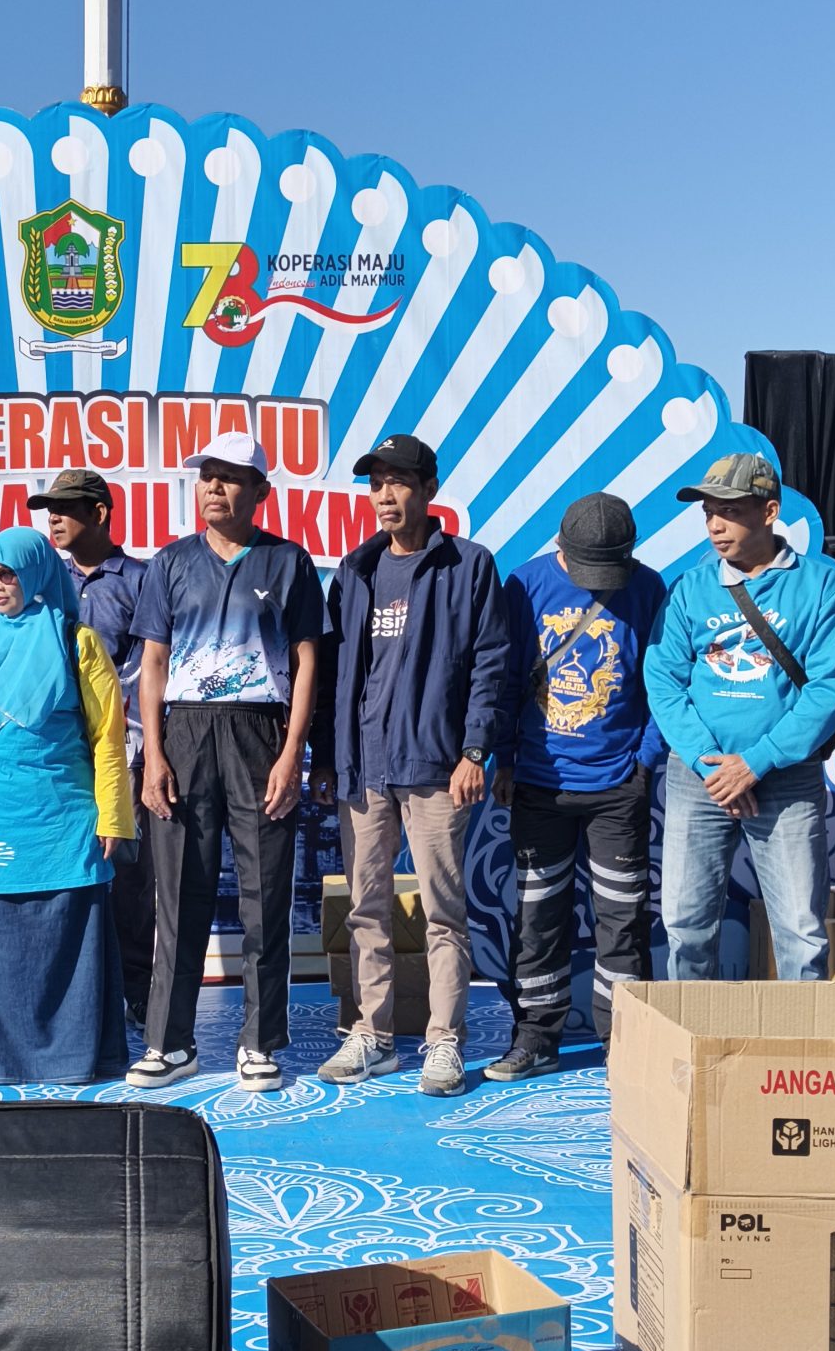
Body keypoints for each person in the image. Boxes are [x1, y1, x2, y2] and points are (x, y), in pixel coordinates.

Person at [308, 434, 507, 1097]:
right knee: (366, 908)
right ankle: (374, 1035)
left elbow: (490, 663)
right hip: (364, 768)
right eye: (376, 484)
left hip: (437, 768)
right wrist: (327, 756)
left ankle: (444, 1042)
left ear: (429, 490)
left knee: (443, 912)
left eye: (398, 482)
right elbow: (335, 674)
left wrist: (474, 750)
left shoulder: (468, 565)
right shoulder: (355, 569)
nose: (385, 495)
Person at [129, 432, 324, 1091]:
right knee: (179, 896)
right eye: (207, 475)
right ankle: (170, 1043)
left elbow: (307, 662)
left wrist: (292, 753)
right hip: (184, 732)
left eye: (230, 476)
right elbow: (154, 661)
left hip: (259, 731)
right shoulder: (170, 562)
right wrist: (155, 754)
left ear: (260, 490)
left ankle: (261, 1043)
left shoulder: (288, 562)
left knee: (265, 897)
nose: (214, 486)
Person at [645, 452, 835, 982]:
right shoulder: (689, 588)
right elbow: (663, 681)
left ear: (769, 511)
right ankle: (690, 1033)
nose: (715, 525)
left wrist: (756, 763)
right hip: (701, 779)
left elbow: (829, 689)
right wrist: (711, 764)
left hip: (786, 777)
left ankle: (801, 1037)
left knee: (801, 932)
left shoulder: (822, 585)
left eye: (730, 511)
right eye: (709, 513)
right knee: (686, 925)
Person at [0, 524, 133, 1082]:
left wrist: (114, 815)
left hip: (61, 820)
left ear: (38, 572)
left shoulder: (77, 642)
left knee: (67, 939)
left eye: (8, 574)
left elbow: (107, 738)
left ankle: (72, 1059)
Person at [486, 492, 666, 1081]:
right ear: (561, 547)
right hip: (541, 783)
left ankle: (625, 1043)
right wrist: (505, 760)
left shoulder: (647, 587)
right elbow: (505, 678)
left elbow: (662, 681)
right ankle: (536, 1038)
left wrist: (644, 763)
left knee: (622, 918)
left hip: (619, 785)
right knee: (538, 916)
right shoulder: (526, 584)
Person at [28, 467, 154, 1026]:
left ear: (99, 513)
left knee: (126, 875)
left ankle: (138, 994)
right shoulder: (39, 582)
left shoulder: (142, 580)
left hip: (122, 749)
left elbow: (154, 668)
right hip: (53, 758)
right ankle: (68, 999)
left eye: (65, 508)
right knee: (61, 874)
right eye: (47, 510)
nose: (53, 518)